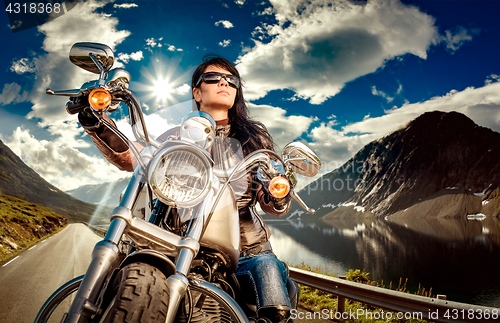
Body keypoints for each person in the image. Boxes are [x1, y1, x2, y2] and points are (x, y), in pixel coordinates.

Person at [78, 55, 294, 323]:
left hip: (246, 251)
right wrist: (97, 124)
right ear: (196, 91)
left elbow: (269, 199)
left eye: (231, 80)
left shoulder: (253, 139)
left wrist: (277, 193)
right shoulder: (174, 137)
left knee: (268, 271)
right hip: (174, 241)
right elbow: (132, 157)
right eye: (213, 78)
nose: (224, 83)